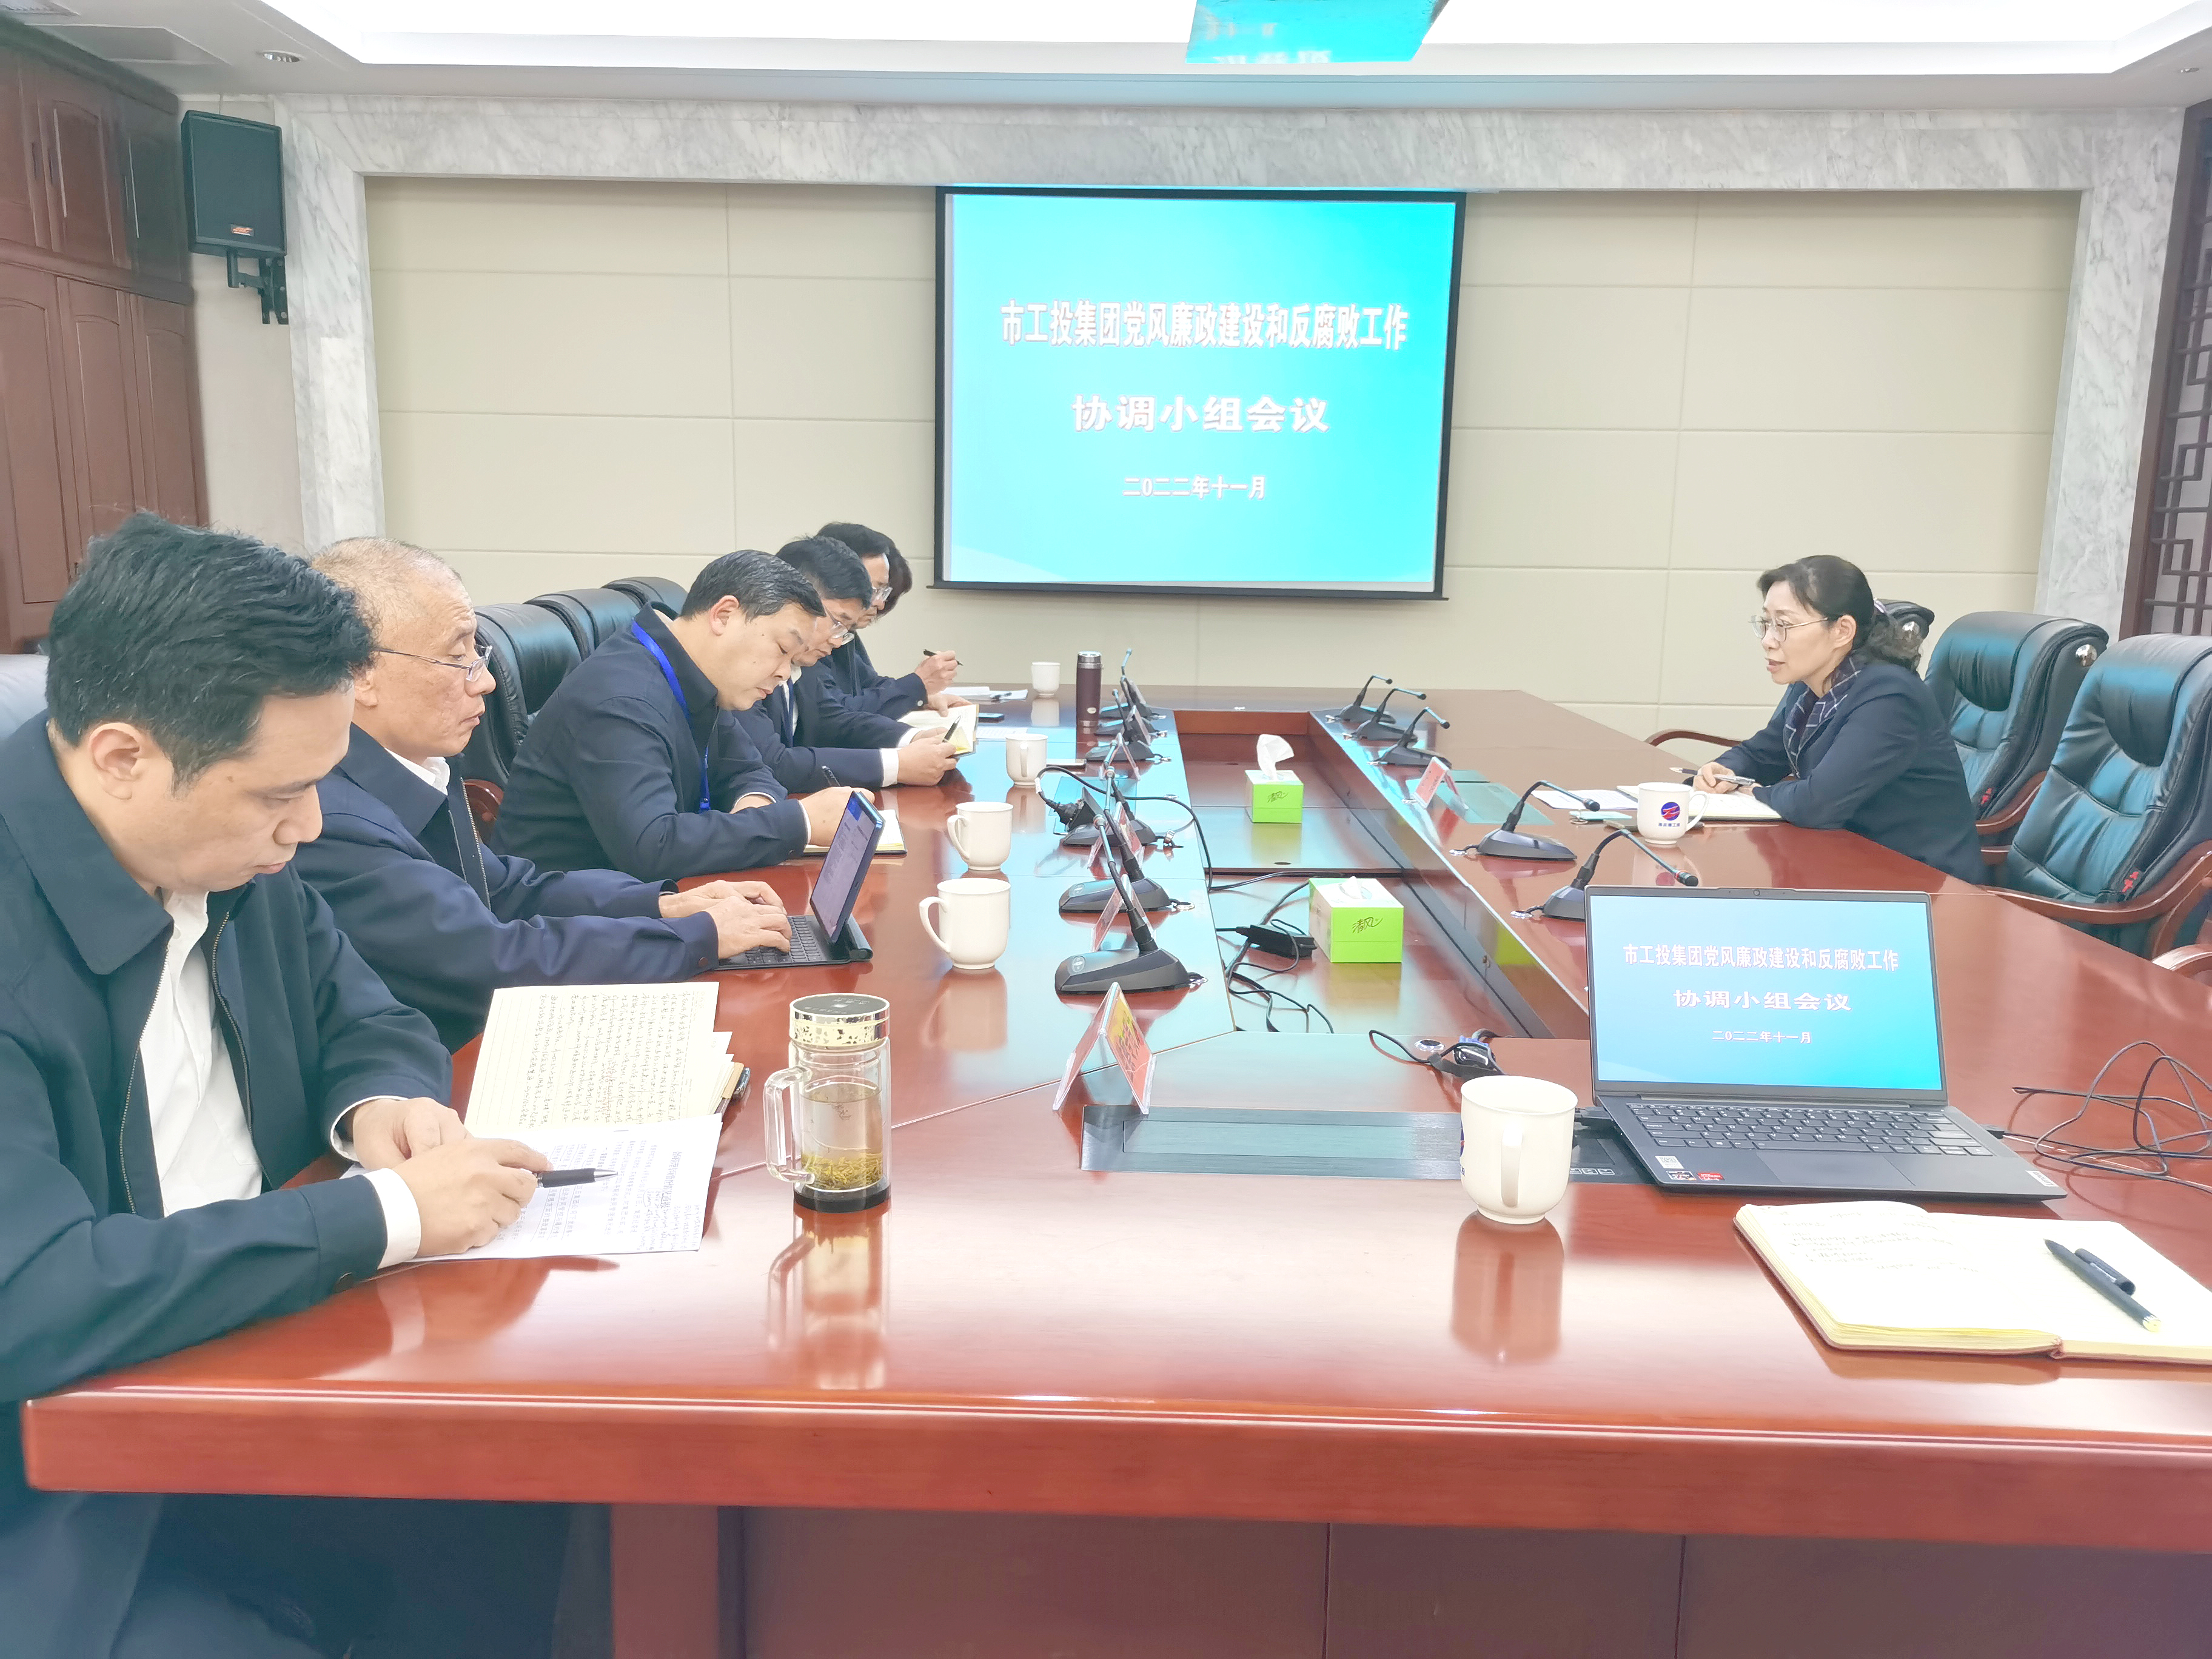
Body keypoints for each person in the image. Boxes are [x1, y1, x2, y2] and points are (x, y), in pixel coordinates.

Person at [0, 514, 566, 1658]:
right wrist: (386, 1214)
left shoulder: (226, 852)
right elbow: (33, 1298)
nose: (307, 827)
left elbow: (369, 1014)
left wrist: (378, 1106)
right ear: (122, 757)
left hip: (254, 1356)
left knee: (540, 1514)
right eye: (279, 793)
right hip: (66, 1490)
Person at [298, 538, 794, 1048]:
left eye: (478, 653)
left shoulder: (419, 765)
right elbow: (490, 958)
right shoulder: (329, 819)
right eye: (456, 657)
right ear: (361, 673)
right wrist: (695, 936)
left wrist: (664, 905)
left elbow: (509, 890)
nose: (486, 683)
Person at [492, 551, 860, 880]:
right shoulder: (622, 700)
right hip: (563, 917)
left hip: (643, 900)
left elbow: (750, 769)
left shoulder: (693, 674)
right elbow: (653, 847)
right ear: (724, 615)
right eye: (782, 649)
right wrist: (800, 822)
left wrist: (755, 812)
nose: (784, 674)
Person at [1694, 555, 1985, 885]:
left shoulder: (1891, 697)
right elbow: (1762, 754)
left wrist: (1753, 793)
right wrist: (1725, 770)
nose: (1768, 640)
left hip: (1923, 886)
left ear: (1842, 631)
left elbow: (1817, 803)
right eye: (1766, 623)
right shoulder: (1810, 684)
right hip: (1847, 862)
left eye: (1784, 625)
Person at [735, 536, 962, 793]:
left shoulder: (803, 658)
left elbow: (831, 720)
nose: (837, 640)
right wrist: (897, 765)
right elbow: (771, 762)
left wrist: (911, 738)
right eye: (837, 623)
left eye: (846, 630)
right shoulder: (746, 664)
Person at [816, 522, 960, 717]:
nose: (880, 604)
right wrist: (918, 684)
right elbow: (834, 714)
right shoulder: (811, 640)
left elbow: (869, 685)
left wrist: (919, 697)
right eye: (873, 590)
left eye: (884, 592)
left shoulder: (845, 633)